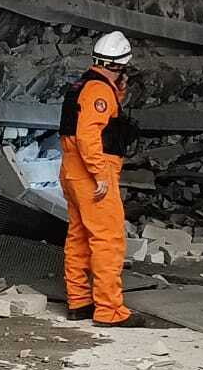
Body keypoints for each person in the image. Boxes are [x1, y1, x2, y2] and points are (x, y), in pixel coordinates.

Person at [60, 31, 145, 327]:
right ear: (120, 65)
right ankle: (109, 310)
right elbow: (88, 135)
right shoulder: (99, 91)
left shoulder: (83, 84)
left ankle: (79, 301)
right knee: (107, 238)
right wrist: (99, 174)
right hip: (91, 172)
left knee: (79, 236)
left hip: (72, 170)